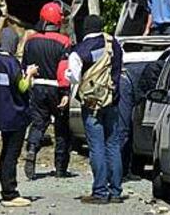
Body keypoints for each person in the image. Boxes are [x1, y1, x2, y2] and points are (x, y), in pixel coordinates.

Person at [66, 15, 123, 204]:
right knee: (113, 146)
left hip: (92, 104)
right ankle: (115, 191)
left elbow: (74, 77)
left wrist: (67, 74)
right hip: (112, 101)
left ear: (85, 29)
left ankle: (100, 192)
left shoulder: (79, 51)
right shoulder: (113, 44)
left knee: (96, 147)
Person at [0, 28, 39, 207]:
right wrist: (30, 73)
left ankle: (6, 189)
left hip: (1, 114)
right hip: (16, 115)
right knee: (12, 154)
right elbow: (22, 87)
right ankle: (10, 194)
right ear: (14, 43)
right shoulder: (11, 63)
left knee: (5, 152)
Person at [22, 1, 72, 180]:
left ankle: (32, 150)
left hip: (37, 87)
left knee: (38, 123)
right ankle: (60, 168)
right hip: (56, 88)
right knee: (61, 128)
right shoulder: (64, 41)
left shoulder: (31, 41)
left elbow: (25, 66)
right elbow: (63, 69)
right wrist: (66, 92)